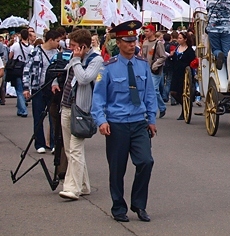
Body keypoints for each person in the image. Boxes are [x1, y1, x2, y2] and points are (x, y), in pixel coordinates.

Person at [92, 20, 157, 222]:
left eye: (133, 40)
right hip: (117, 123)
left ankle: (139, 205)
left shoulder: (142, 65)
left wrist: (152, 118)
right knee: (117, 169)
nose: (132, 44)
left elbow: (149, 94)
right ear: (118, 42)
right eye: (127, 41)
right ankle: (118, 207)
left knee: (146, 161)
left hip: (139, 122)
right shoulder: (107, 68)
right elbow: (99, 97)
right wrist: (101, 120)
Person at [53, 29, 103, 200]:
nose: (70, 49)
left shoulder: (96, 60)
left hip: (81, 110)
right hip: (66, 107)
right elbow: (66, 75)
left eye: (73, 46)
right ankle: (83, 185)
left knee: (75, 150)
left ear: (82, 46)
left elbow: (84, 78)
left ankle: (72, 188)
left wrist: (76, 60)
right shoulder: (73, 58)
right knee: (70, 150)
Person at [23, 30, 60, 153]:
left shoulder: (58, 53)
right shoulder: (35, 52)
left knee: (53, 117)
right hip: (38, 88)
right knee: (38, 116)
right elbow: (27, 70)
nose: (59, 43)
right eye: (57, 41)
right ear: (51, 40)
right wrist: (26, 87)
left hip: (52, 88)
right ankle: (39, 144)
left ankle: (54, 143)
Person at [168, 32, 196, 120]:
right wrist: (171, 56)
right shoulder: (177, 48)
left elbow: (192, 61)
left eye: (180, 38)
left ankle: (184, 110)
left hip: (185, 73)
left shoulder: (189, 50)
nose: (178, 40)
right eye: (178, 38)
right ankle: (184, 105)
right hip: (176, 72)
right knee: (173, 92)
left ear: (185, 39)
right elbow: (173, 60)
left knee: (182, 92)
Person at [141, 24, 167, 119]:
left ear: (152, 32)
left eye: (147, 31)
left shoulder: (158, 43)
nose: (145, 33)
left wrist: (156, 64)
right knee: (147, 90)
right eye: (145, 31)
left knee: (154, 90)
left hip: (155, 70)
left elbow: (163, 56)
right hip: (146, 69)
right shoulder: (145, 43)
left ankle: (161, 107)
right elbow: (143, 56)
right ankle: (152, 109)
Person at [8, 28, 33, 117]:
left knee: (19, 90)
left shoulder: (15, 45)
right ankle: (20, 109)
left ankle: (23, 110)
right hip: (27, 69)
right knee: (24, 88)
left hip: (17, 69)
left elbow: (10, 56)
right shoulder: (31, 47)